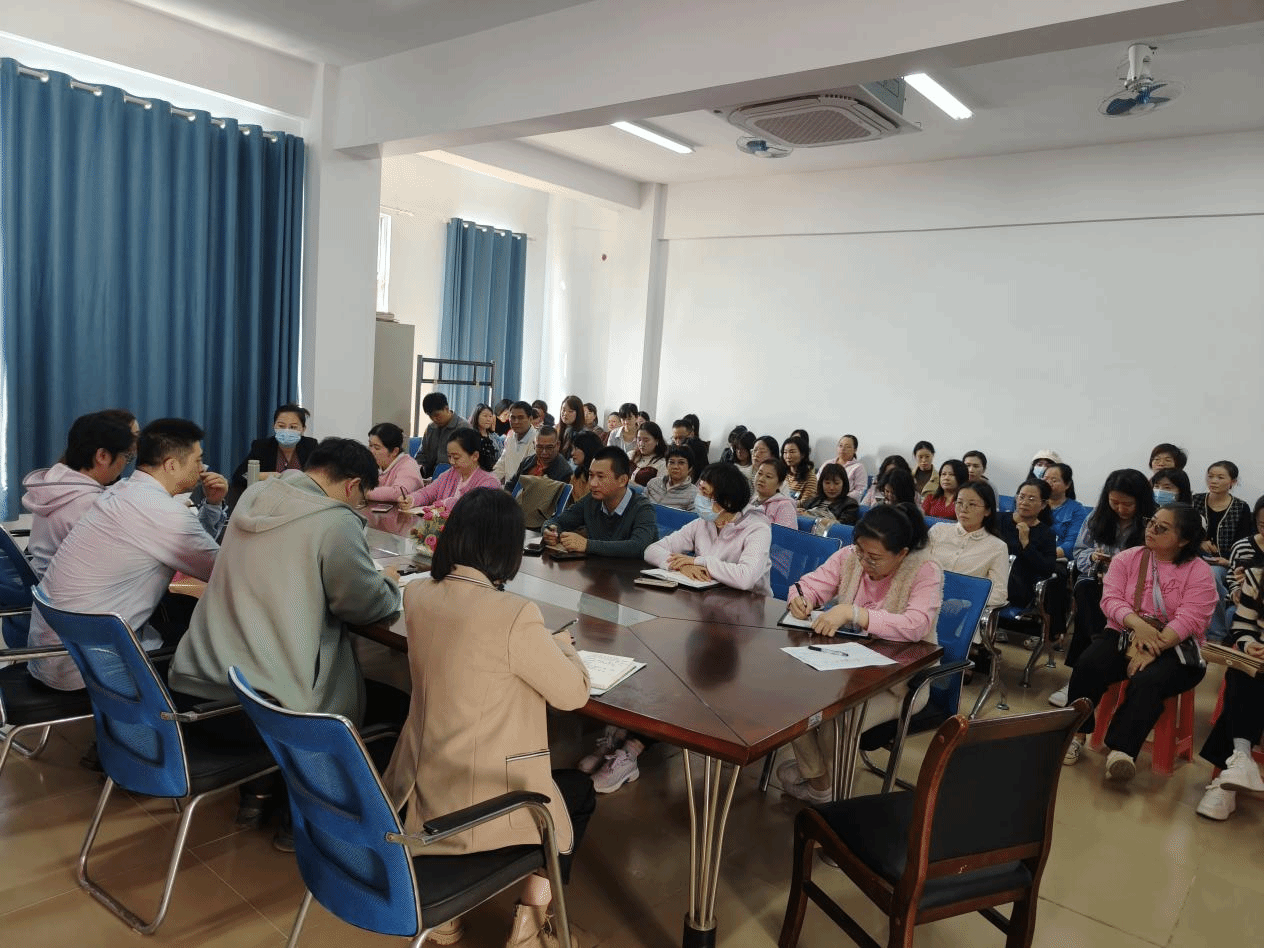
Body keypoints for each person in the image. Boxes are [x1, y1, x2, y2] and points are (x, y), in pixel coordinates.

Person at [381, 488, 594, 946]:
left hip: (421, 784)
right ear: (507, 548)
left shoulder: (418, 594)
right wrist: (562, 647)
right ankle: (530, 925)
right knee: (578, 792)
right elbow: (573, 695)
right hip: (479, 800)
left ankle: (445, 920)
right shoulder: (514, 615)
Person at [170, 435, 404, 729]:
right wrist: (388, 583)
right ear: (352, 485)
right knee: (397, 703)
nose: (358, 506)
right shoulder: (335, 521)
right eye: (361, 500)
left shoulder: (255, 495)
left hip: (193, 683)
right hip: (263, 707)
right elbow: (362, 604)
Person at [587, 465, 773, 795]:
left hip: (743, 624)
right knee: (655, 658)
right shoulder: (703, 523)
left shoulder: (757, 528)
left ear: (726, 500)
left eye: (705, 493)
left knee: (679, 678)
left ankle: (631, 749)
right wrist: (679, 563)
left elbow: (746, 577)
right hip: (701, 612)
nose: (699, 498)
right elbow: (653, 549)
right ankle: (623, 735)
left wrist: (697, 562)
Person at [28, 419, 223, 690]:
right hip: (89, 667)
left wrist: (212, 505)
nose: (202, 468)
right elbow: (225, 571)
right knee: (213, 642)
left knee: (180, 610)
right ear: (171, 465)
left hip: (54, 654)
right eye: (198, 460)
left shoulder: (121, 491)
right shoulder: (162, 513)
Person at [777, 504, 945, 802]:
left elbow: (917, 624)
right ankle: (820, 782)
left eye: (875, 558)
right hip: (845, 670)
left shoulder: (924, 570)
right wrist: (801, 599)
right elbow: (810, 585)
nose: (865, 562)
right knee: (792, 696)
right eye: (861, 552)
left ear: (902, 554)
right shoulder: (850, 557)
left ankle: (827, 790)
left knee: (838, 716)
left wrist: (855, 613)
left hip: (898, 684)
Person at [1062, 503, 1215, 782]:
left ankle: (1122, 751)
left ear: (1184, 540)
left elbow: (1191, 619)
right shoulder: (1128, 558)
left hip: (1177, 646)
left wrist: (1153, 647)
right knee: (1088, 664)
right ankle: (1077, 733)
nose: (1151, 530)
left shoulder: (1199, 571)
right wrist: (1139, 626)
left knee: (1148, 680)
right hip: (1126, 632)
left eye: (1162, 528)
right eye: (1151, 522)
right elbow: (1110, 600)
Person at [1050, 469, 1157, 707]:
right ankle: (1097, 650)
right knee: (1086, 589)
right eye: (1114, 502)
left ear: (1141, 501)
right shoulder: (1097, 517)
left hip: (1137, 590)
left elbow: (1160, 562)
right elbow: (1079, 551)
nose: (1120, 509)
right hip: (1099, 580)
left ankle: (1087, 666)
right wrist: (1093, 557)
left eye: (1127, 504)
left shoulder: (1153, 522)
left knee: (1092, 606)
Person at [21, 410, 137, 577]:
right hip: (63, 584)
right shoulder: (89, 504)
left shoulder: (57, 482)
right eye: (126, 456)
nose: (125, 464)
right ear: (102, 456)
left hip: (39, 576)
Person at [1197, 564, 1264, 820]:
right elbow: (1243, 625)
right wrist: (1250, 644)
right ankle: (1240, 760)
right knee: (1242, 671)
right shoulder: (1257, 577)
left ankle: (1230, 777)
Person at [542, 447, 658, 558]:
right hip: (597, 569)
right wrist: (549, 532)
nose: (592, 483)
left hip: (632, 571)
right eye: (591, 475)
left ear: (622, 480)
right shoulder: (590, 501)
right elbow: (556, 522)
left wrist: (587, 545)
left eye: (600, 477)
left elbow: (639, 546)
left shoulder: (642, 508)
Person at [1192, 460, 1252, 643]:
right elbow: (1185, 531)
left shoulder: (1241, 507)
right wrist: (1200, 542)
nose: (1213, 481)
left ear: (1232, 482)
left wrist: (1227, 561)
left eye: (1220, 477)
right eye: (1210, 476)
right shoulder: (1195, 501)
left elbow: (1243, 542)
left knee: (1212, 574)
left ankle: (1216, 634)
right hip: (1194, 555)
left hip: (1226, 562)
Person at [927, 481, 1009, 608]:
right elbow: (918, 567)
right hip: (926, 600)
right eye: (959, 502)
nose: (964, 509)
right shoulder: (938, 530)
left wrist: (965, 602)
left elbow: (999, 593)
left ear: (987, 511)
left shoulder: (997, 547)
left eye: (972, 504)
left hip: (962, 611)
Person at [228, 404, 318, 508]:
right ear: (274, 426)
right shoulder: (262, 446)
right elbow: (238, 477)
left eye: (293, 427)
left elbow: (321, 477)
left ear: (303, 429)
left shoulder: (311, 446)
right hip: (268, 504)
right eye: (281, 426)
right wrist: (261, 476)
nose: (287, 430)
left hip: (303, 503)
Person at [401, 428, 500, 510]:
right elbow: (428, 492)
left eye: (456, 457)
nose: (452, 462)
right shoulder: (450, 474)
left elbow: (473, 509)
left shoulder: (490, 482)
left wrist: (444, 503)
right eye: (449, 456)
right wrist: (412, 499)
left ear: (475, 456)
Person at [998, 478, 1058, 609]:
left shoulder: (1046, 533)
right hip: (992, 575)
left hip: (1018, 586)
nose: (1024, 502)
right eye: (1021, 497)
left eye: (1031, 499)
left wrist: (1026, 543)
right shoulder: (998, 520)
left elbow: (1048, 568)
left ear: (1043, 504)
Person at [365, 422, 424, 503]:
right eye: (370, 445)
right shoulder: (376, 464)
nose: (371, 451)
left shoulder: (408, 465)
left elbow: (399, 493)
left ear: (394, 451)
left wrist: (364, 493)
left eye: (377, 448)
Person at [505, 426, 571, 495]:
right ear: (534, 445)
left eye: (549, 447)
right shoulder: (527, 462)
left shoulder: (564, 472)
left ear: (558, 445)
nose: (544, 452)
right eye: (539, 447)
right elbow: (511, 485)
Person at [1044, 462, 1087, 560]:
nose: (1048, 483)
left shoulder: (1077, 510)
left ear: (1067, 484)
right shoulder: (1036, 504)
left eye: (1054, 480)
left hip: (1057, 559)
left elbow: (1072, 544)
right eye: (1045, 479)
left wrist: (1044, 555)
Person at [1226, 496, 1264, 604]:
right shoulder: (1241, 547)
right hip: (1247, 603)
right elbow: (1232, 578)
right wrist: (1236, 591)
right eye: (1262, 525)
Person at [492, 400, 538, 485]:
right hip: (509, 488)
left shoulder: (536, 440)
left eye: (520, 418)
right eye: (513, 418)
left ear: (530, 419)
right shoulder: (510, 438)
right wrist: (488, 482)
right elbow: (501, 465)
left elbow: (528, 473)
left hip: (525, 488)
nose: (516, 421)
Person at [645, 445, 699, 511]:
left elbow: (692, 516)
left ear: (690, 468)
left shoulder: (694, 494)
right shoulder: (653, 483)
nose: (675, 467)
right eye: (671, 462)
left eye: (681, 463)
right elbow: (640, 504)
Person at [749, 458, 797, 529]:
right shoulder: (750, 501)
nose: (761, 479)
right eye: (759, 473)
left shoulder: (784, 507)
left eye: (768, 476)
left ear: (779, 484)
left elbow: (784, 535)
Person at [567, 430, 605, 506]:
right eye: (572, 449)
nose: (572, 453)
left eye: (576, 448)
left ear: (588, 449)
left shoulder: (603, 477)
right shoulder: (577, 476)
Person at [628, 421, 669, 486]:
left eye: (646, 440)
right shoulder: (630, 455)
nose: (641, 444)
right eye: (639, 439)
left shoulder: (662, 463)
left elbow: (659, 489)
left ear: (657, 441)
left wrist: (638, 488)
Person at [780, 435, 816, 506]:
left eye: (792, 452)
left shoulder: (810, 477)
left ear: (802, 454)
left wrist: (782, 504)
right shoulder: (782, 473)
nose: (788, 456)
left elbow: (806, 503)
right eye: (785, 452)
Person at [469, 403, 503, 471]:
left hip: (494, 472)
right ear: (477, 416)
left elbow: (501, 456)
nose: (488, 419)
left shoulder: (494, 436)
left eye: (490, 416)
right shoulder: (469, 435)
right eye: (485, 416)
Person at [833, 435, 867, 500]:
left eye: (847, 447)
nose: (843, 449)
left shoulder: (858, 467)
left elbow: (859, 491)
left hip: (846, 502)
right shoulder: (828, 463)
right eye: (840, 446)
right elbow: (817, 482)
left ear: (855, 450)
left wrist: (840, 498)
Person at [556, 394, 584, 460]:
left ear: (578, 413)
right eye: (563, 410)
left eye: (570, 411)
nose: (565, 414)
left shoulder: (580, 434)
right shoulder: (560, 429)